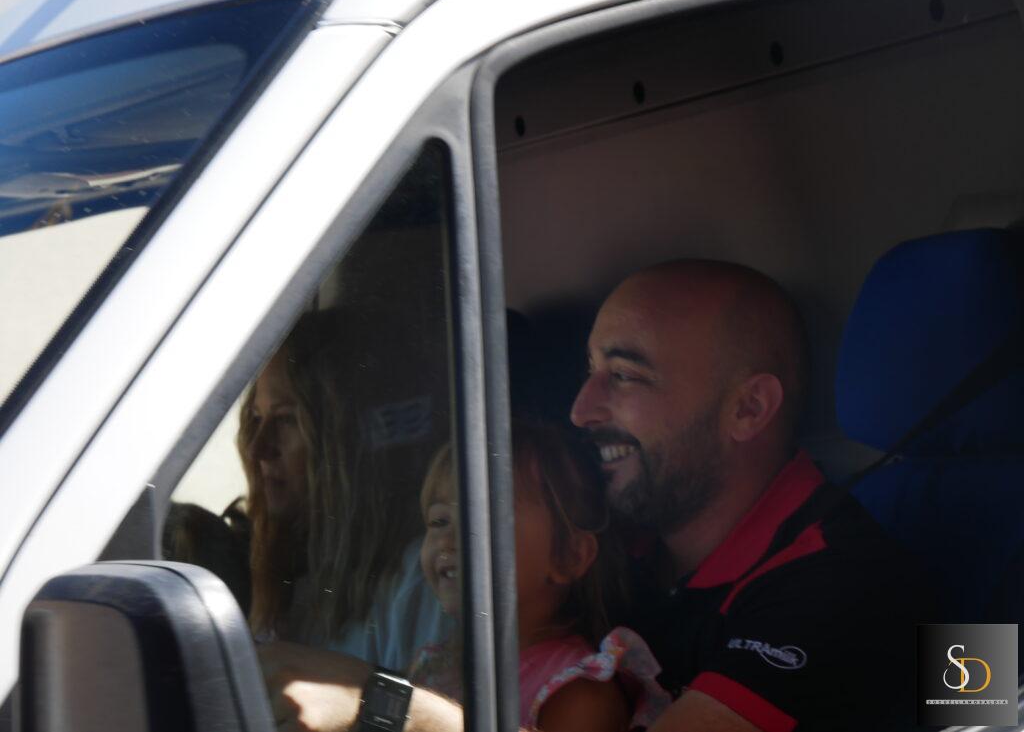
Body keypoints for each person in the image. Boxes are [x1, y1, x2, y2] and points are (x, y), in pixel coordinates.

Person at [259, 260, 926, 732]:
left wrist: (380, 706)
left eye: (624, 376)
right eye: (589, 370)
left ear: (748, 408)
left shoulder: (840, 583)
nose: (581, 409)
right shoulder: (620, 542)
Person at [411, 423, 669, 731]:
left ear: (569, 556)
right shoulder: (432, 665)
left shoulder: (578, 693)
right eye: (439, 520)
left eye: (482, 518)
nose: (448, 540)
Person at [240, 308, 448, 669]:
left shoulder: (416, 582)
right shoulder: (289, 573)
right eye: (256, 419)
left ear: (345, 440)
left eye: (287, 420)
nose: (258, 448)